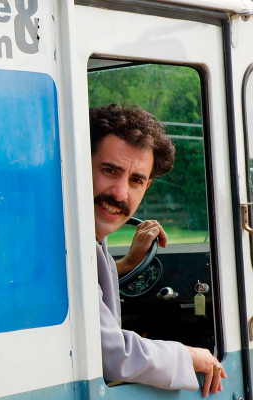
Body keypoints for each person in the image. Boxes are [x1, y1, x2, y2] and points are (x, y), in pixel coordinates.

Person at [90, 104, 226, 397]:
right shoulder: (58, 246)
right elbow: (112, 355)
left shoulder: (90, 241)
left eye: (135, 180)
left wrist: (126, 263)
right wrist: (191, 356)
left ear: (147, 186)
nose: (120, 193)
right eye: (109, 170)